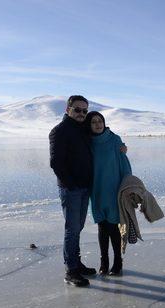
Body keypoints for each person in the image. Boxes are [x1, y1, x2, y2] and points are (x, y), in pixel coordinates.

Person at [49, 95, 97, 287]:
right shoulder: (59, 131)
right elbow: (56, 163)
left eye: (84, 111)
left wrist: (120, 147)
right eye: (77, 110)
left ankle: (76, 263)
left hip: (85, 187)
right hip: (72, 189)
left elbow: (101, 132)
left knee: (78, 227)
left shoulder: (83, 129)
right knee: (72, 229)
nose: (81, 114)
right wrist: (71, 184)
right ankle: (71, 271)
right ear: (67, 109)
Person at [85, 111, 132, 276]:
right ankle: (104, 262)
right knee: (101, 226)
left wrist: (127, 186)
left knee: (113, 226)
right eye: (93, 122)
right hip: (96, 190)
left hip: (114, 189)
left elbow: (124, 164)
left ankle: (118, 261)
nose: (97, 124)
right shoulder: (88, 142)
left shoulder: (114, 140)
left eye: (100, 121)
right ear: (88, 125)